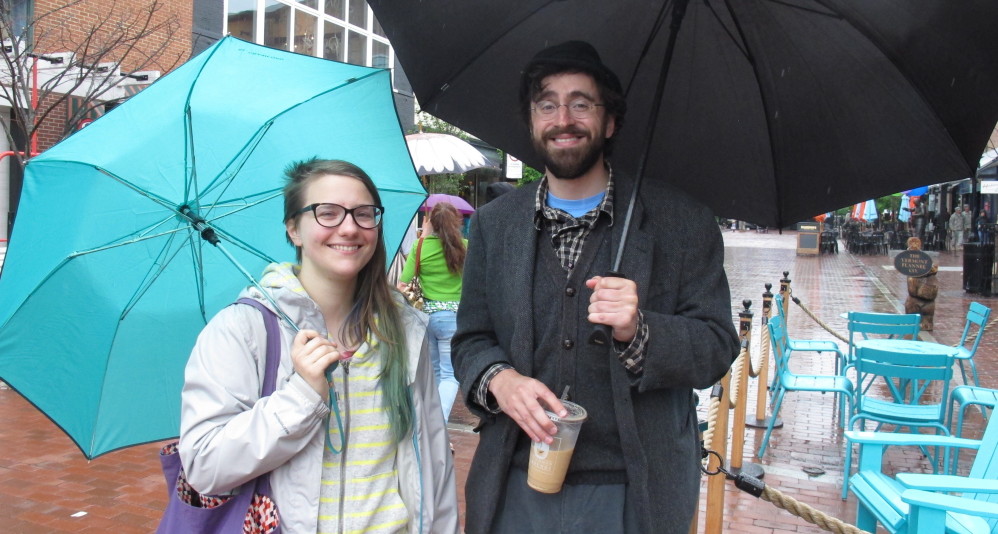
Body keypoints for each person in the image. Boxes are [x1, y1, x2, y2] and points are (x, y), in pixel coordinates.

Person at [452, 41, 740, 534]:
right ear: (532, 121)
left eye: (581, 103)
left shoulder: (682, 222)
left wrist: (641, 331)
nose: (563, 118)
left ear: (609, 123)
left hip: (635, 492)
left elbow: (717, 345)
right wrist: (501, 379)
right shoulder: (495, 225)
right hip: (515, 485)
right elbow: (470, 340)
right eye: (547, 104)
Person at [179, 158, 459, 533]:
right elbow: (204, 467)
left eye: (364, 213)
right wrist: (301, 397)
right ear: (293, 228)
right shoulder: (244, 330)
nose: (349, 227)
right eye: (327, 213)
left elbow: (433, 458)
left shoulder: (404, 328)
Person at [399, 201, 468, 421]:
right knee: (451, 375)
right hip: (456, 319)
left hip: (427, 317)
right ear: (457, 221)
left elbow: (402, 283)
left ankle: (433, 427)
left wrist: (424, 234)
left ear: (430, 222)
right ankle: (438, 422)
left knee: (437, 372)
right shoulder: (467, 246)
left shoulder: (421, 247)